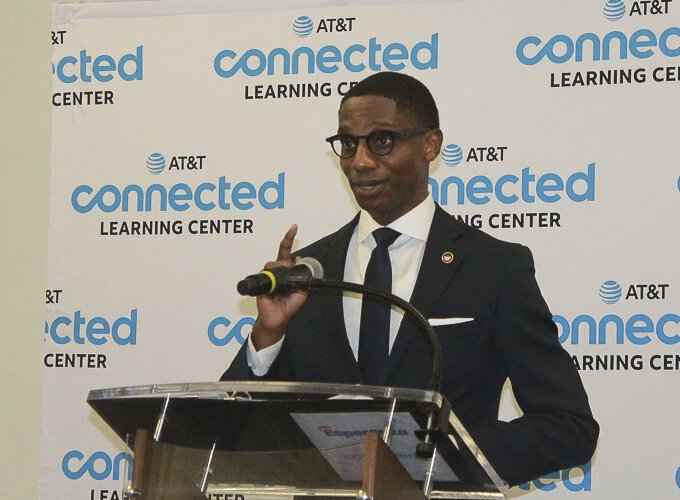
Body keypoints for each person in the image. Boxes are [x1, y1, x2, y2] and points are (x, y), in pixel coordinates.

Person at [222, 71, 598, 487]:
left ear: (430, 145)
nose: (361, 161)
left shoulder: (493, 268)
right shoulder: (309, 272)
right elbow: (232, 429)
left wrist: (438, 452)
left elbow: (568, 427)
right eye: (349, 144)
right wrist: (268, 335)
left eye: (382, 141)